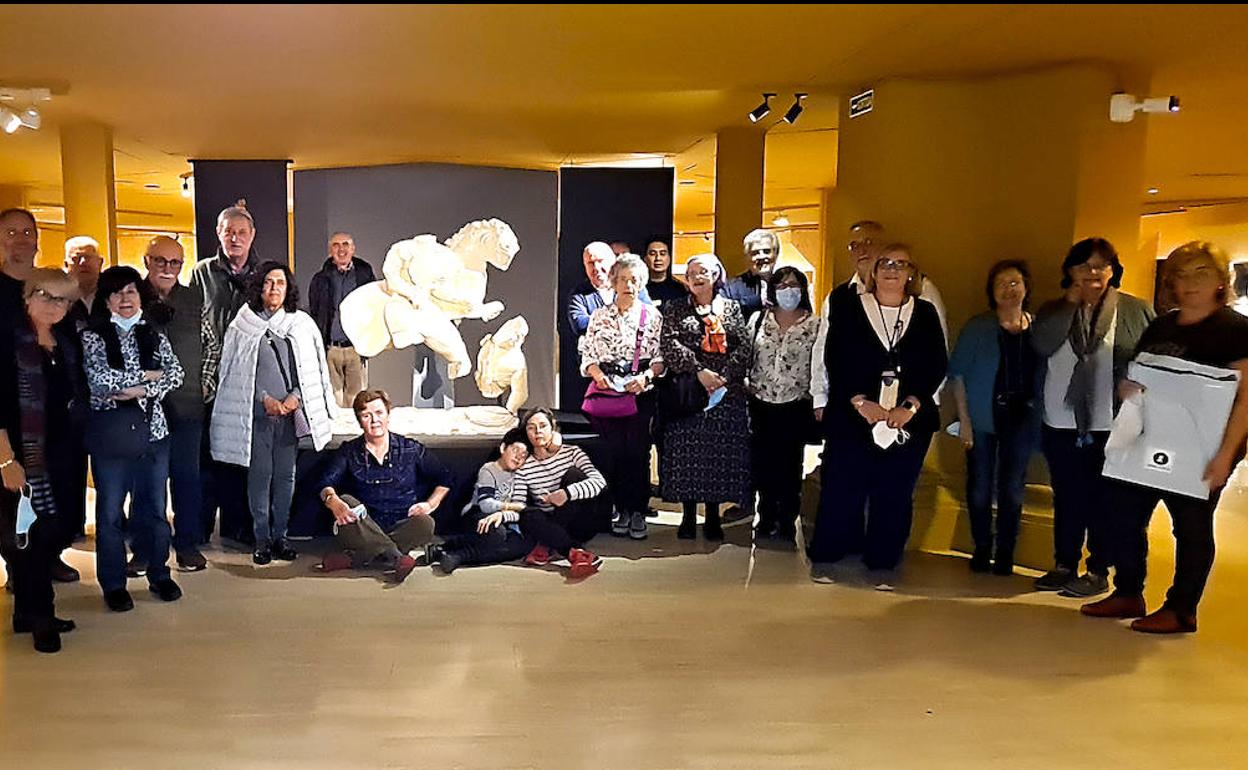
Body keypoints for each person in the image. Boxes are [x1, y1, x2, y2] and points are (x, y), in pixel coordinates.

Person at [1082, 242, 1248, 634]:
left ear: (1221, 281)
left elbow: (1245, 400)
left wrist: (1226, 456)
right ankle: (1128, 591)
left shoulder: (1236, 330)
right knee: (1123, 513)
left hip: (1201, 449)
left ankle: (1181, 609)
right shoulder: (1162, 325)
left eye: (1201, 273)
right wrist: (1128, 389)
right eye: (1182, 274)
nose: (1190, 283)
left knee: (1190, 527)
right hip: (1147, 439)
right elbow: (1141, 374)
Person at [808, 245, 947, 589]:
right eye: (885, 263)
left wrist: (910, 406)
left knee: (894, 491)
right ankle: (828, 555)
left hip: (907, 419)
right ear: (874, 271)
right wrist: (859, 402)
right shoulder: (849, 307)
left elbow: (936, 363)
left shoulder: (926, 312)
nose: (892, 270)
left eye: (901, 264)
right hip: (854, 413)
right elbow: (835, 357)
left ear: (911, 273)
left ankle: (883, 561)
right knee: (843, 486)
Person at [1030, 238, 1154, 597]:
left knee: (1105, 500)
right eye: (1083, 266)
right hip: (1061, 421)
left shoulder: (1135, 310)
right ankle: (1064, 562)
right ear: (1069, 272)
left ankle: (1098, 569)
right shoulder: (1055, 310)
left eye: (1100, 265)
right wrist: (1071, 303)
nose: (1092, 273)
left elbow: (1149, 359)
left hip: (1111, 423)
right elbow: (1041, 344)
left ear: (1113, 270)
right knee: (1067, 496)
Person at [211, 261, 336, 565]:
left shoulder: (301, 324)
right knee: (259, 478)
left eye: (280, 283)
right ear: (259, 287)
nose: (274, 288)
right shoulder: (243, 324)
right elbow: (233, 372)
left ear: (288, 288)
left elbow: (312, 370)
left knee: (285, 478)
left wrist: (295, 398)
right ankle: (262, 539)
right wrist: (262, 398)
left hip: (288, 417)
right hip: (256, 416)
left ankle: (281, 536)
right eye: (268, 282)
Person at [82, 266, 185, 612]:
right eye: (117, 293)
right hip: (112, 439)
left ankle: (160, 573)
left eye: (131, 291)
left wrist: (136, 387)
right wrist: (147, 378)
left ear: (141, 295)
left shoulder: (154, 332)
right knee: (110, 514)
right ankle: (113, 583)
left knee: (156, 510)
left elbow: (176, 373)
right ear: (106, 299)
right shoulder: (93, 336)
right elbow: (99, 381)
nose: (125, 299)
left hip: (155, 435)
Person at [0, 269, 88, 653]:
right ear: (27, 296)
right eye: (47, 296)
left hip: (62, 454)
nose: (55, 306)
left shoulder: (65, 341)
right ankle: (41, 618)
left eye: (63, 299)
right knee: (30, 539)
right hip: (21, 455)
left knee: (52, 531)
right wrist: (5, 462)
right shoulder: (9, 343)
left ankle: (25, 613)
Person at [0, 208, 83, 585]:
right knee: (18, 515)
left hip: (60, 434)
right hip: (16, 431)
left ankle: (45, 561)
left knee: (60, 511)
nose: (20, 238)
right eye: (11, 231)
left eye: (27, 231)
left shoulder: (64, 333)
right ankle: (26, 580)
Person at [948, 260, 1041, 575]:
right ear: (991, 291)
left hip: (1023, 419)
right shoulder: (979, 327)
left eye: (1015, 282)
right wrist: (965, 421)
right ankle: (982, 548)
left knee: (1013, 489)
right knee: (980, 487)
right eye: (1001, 283)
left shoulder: (1038, 328)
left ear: (1026, 288)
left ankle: (1005, 553)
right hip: (982, 417)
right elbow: (957, 375)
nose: (1009, 289)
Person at [659, 253, 752, 540]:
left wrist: (722, 377)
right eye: (691, 273)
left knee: (716, 457)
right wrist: (700, 371)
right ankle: (688, 515)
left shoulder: (733, 309)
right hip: (688, 391)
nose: (697, 277)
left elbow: (744, 346)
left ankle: (712, 515)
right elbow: (668, 342)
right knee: (688, 455)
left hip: (726, 393)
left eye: (703, 272)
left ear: (716, 276)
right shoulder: (674, 308)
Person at [318, 390, 453, 582]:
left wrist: (430, 505)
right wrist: (333, 501)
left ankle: (357, 558)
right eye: (366, 415)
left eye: (379, 413)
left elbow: (445, 478)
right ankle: (396, 557)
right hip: (362, 526)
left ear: (388, 414)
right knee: (347, 500)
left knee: (426, 523)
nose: (374, 420)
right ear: (359, 420)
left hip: (401, 523)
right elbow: (325, 483)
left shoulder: (409, 448)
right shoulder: (349, 451)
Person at [133, 236, 207, 572]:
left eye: (175, 262)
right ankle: (146, 549)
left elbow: (212, 344)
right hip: (142, 407)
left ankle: (187, 544)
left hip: (188, 404)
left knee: (187, 478)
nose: (167, 268)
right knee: (146, 481)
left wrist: (205, 386)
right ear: (147, 261)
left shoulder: (194, 298)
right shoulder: (130, 295)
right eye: (160, 261)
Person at [579, 253, 665, 540]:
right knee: (611, 454)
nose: (629, 285)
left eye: (635, 279)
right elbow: (588, 353)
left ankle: (637, 510)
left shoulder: (652, 315)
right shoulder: (600, 316)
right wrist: (596, 372)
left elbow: (660, 358)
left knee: (637, 454)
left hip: (639, 393)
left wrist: (646, 377)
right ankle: (617, 508)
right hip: (605, 392)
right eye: (624, 279)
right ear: (613, 282)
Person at [193, 204, 263, 544]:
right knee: (206, 457)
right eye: (228, 231)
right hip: (211, 378)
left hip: (249, 380)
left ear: (252, 236)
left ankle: (239, 526)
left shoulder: (265, 273)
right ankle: (200, 528)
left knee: (242, 458)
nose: (234, 238)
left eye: (241, 232)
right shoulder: (201, 273)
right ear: (218, 234)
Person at [747, 266, 820, 543]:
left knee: (791, 465)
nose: (788, 291)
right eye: (781, 285)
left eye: (793, 285)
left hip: (796, 404)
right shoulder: (758, 320)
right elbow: (748, 355)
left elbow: (821, 364)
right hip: (762, 402)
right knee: (763, 463)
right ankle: (765, 516)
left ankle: (788, 519)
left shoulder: (815, 324)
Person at [424, 428, 533, 574]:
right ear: (503, 448)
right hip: (477, 514)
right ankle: (451, 548)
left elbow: (520, 511)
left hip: (503, 521)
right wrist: (510, 506)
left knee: (523, 545)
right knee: (496, 534)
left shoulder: (520, 475)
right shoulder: (489, 470)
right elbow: (486, 504)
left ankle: (454, 555)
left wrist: (503, 515)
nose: (518, 457)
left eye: (523, 455)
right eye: (515, 450)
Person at [512, 408, 604, 579]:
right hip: (549, 523)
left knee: (573, 475)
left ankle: (547, 545)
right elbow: (518, 502)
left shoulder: (572, 452)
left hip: (579, 521)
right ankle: (574, 553)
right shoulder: (523, 466)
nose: (538, 431)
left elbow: (599, 482)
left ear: (552, 429)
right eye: (531, 427)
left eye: (542, 426)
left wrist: (566, 494)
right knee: (527, 514)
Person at [308, 231, 376, 408]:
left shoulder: (364, 276)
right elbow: (315, 313)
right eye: (336, 245)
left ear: (353, 249)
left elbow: (374, 307)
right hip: (331, 349)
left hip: (355, 348)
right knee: (332, 401)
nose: (341, 249)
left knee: (358, 402)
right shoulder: (320, 279)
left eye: (345, 244)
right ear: (330, 250)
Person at [722, 228, 778, 318]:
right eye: (755, 253)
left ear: (776, 254)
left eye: (767, 251)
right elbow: (726, 313)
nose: (762, 256)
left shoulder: (789, 283)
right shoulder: (732, 287)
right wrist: (759, 301)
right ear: (747, 257)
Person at [62, 235, 104, 331]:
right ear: (66, 264)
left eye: (88, 257)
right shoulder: (57, 297)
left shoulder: (113, 293)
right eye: (76, 258)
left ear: (100, 262)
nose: (83, 262)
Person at [642, 236, 685, 307]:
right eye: (652, 254)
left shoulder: (679, 289)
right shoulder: (640, 288)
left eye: (662, 254)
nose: (658, 258)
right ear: (645, 259)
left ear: (669, 258)